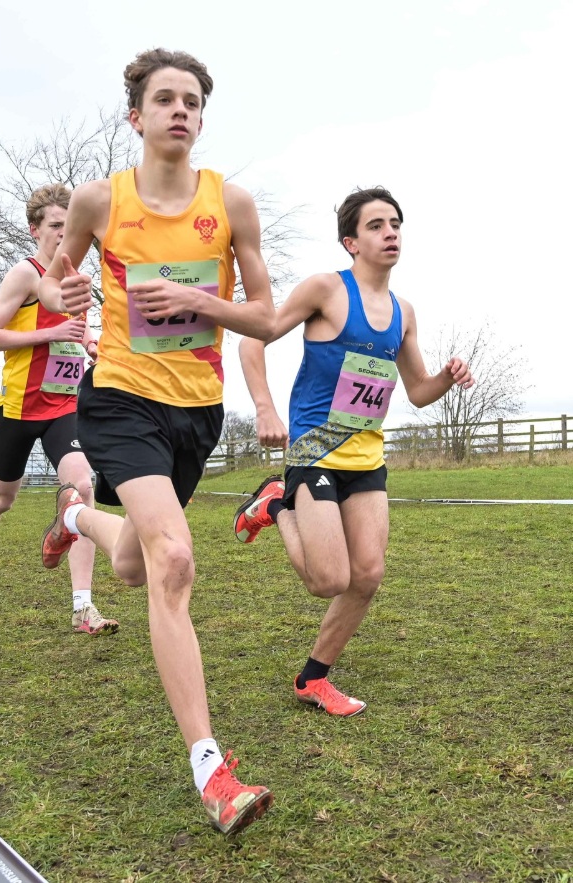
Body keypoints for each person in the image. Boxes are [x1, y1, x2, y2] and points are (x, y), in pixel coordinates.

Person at [37, 49, 276, 834]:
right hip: (117, 401)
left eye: (194, 101)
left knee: (137, 563)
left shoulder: (231, 204)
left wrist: (196, 301)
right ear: (135, 115)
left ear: (202, 118)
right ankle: (212, 768)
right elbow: (53, 269)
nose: (181, 110)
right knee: (174, 558)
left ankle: (76, 519)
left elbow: (268, 317)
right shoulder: (98, 200)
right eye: (165, 99)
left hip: (196, 411)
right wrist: (59, 288)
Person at [234, 186, 475, 716]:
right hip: (315, 451)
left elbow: (416, 391)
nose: (391, 232)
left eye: (395, 223)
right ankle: (275, 504)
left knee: (367, 575)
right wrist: (265, 407)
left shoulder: (403, 312)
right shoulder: (325, 290)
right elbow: (253, 339)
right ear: (351, 241)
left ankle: (313, 678)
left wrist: (446, 378)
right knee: (328, 580)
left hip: (366, 457)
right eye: (376, 225)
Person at [0, 184, 119, 637]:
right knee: (1, 499)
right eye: (55, 227)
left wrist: (91, 345)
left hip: (64, 407)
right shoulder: (25, 275)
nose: (64, 235)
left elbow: (71, 334)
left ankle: (83, 606)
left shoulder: (77, 280)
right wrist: (48, 336)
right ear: (35, 231)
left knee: (83, 486)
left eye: (71, 228)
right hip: (18, 408)